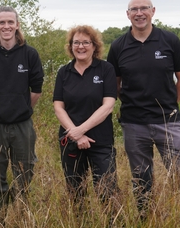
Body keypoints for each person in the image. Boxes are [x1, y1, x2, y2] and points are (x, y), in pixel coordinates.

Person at [107, 0, 180, 219]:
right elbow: (114, 85)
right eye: (134, 9)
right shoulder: (118, 46)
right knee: (141, 177)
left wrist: (167, 105)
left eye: (144, 8)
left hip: (169, 121)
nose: (139, 13)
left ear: (153, 11)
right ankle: (145, 218)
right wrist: (132, 103)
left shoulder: (169, 40)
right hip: (134, 124)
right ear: (127, 14)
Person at [0, 6, 44, 226]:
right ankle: (1, 215)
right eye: (1, 22)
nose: (6, 26)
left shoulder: (29, 54)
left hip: (23, 124)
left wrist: (20, 109)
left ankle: (21, 212)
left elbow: (36, 91)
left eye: (10, 22)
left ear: (17, 25)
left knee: (25, 169)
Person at [53, 25, 119, 221]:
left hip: (101, 141)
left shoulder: (106, 69)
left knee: (106, 190)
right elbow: (58, 107)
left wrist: (81, 130)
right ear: (71, 46)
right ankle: (81, 223)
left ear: (94, 45)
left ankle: (112, 224)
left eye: (85, 42)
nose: (80, 46)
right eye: (76, 43)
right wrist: (75, 134)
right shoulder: (63, 72)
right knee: (75, 191)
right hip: (70, 140)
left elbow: (108, 105)